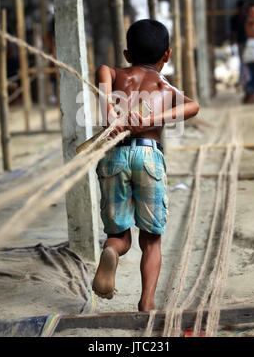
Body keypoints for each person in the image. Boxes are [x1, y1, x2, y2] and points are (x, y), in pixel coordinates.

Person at [92, 19, 199, 312]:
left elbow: (102, 71)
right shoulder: (164, 86)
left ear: (127, 55)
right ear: (167, 55)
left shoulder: (114, 74)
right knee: (151, 239)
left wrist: (110, 113)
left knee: (118, 235)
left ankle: (112, 252)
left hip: (115, 157)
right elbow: (193, 106)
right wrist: (151, 121)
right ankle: (147, 303)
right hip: (149, 155)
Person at [230, 0, 247, 86]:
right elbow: (233, 32)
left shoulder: (246, 17)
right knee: (242, 61)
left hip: (247, 42)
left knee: (246, 61)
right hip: (240, 42)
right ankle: (243, 80)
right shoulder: (235, 18)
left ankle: (244, 79)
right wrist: (233, 42)